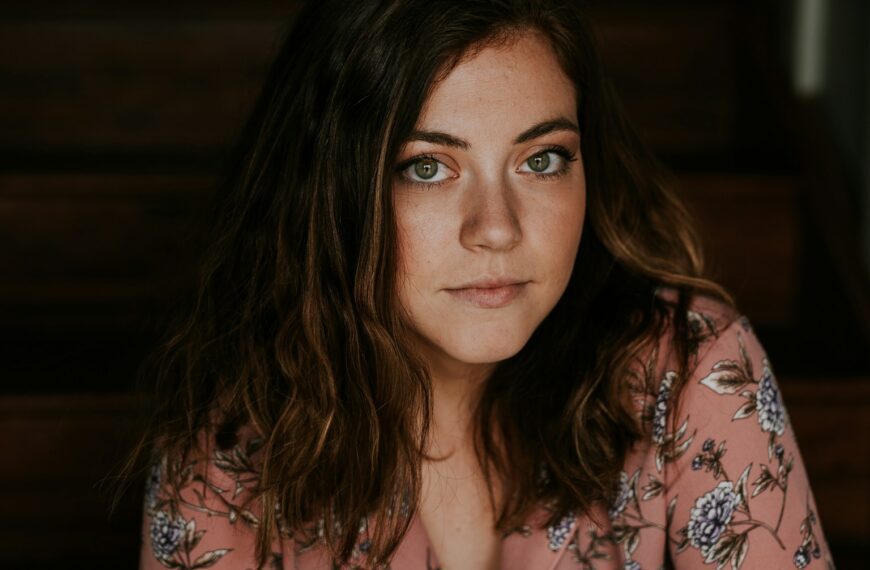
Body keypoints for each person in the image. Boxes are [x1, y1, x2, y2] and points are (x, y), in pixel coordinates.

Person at [133, 0, 834, 568]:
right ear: (330, 192)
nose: (496, 229)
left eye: (542, 159)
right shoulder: (233, 441)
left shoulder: (691, 368)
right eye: (428, 168)